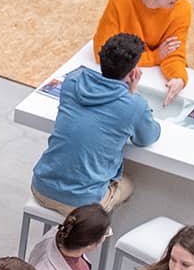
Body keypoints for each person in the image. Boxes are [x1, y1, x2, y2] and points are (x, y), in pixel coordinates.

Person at [30, 31, 162, 216]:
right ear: (133, 72)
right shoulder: (133, 104)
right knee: (128, 183)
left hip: (41, 185)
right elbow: (147, 137)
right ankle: (97, 232)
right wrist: (132, 93)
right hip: (82, 204)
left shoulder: (72, 81)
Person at [94, 0, 191, 105]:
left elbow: (174, 54)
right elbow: (103, 53)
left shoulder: (182, 9)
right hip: (122, 80)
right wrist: (155, 57)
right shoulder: (120, 1)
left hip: (144, 78)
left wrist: (178, 78)